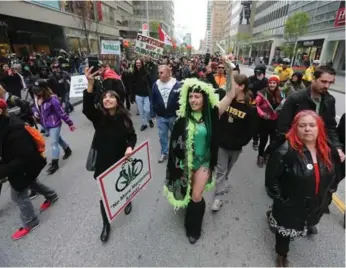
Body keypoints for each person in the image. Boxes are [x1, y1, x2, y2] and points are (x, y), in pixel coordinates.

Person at [164, 58, 239, 244]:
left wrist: (230, 72)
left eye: (197, 96)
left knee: (197, 196)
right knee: (188, 192)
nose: (193, 100)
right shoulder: (182, 118)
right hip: (185, 163)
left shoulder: (212, 115)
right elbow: (174, 145)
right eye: (190, 97)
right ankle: (189, 212)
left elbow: (229, 95)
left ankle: (194, 228)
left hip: (204, 162)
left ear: (204, 98)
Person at [265, 110, 342, 267]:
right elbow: (271, 181)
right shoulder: (285, 151)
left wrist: (329, 192)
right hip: (290, 205)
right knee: (284, 232)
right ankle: (281, 254)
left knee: (308, 221)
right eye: (302, 125)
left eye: (312, 125)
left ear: (319, 128)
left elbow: (336, 173)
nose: (307, 129)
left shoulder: (328, 150)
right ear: (296, 128)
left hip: (315, 204)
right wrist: (282, 201)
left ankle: (306, 225)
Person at [83, 67, 137, 243]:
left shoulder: (125, 119)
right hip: (104, 163)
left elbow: (132, 136)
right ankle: (106, 224)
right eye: (105, 97)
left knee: (124, 185)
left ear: (118, 100)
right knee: (104, 195)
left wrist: (130, 147)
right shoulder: (99, 117)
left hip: (122, 160)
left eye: (111, 96)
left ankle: (127, 199)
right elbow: (87, 109)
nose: (107, 99)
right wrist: (90, 84)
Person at [0, 99, 58, 240]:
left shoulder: (15, 129)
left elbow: (23, 157)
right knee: (31, 182)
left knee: (18, 195)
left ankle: (31, 221)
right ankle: (51, 195)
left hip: (25, 165)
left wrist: (3, 170)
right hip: (19, 165)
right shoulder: (4, 124)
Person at [277, 65, 345, 163]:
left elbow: (330, 127)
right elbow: (283, 128)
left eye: (330, 83)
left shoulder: (329, 100)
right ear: (313, 79)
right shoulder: (295, 99)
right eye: (323, 81)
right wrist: (296, 148)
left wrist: (337, 147)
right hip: (296, 149)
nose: (327, 86)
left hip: (317, 149)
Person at [212, 74, 259, 211]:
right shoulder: (226, 100)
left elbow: (251, 130)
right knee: (221, 169)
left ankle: (225, 180)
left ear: (241, 87)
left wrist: (241, 142)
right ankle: (218, 197)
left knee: (228, 169)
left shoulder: (250, 109)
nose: (229, 88)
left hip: (236, 147)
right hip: (222, 145)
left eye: (232, 85)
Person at [32, 79, 75, 175]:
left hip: (55, 124)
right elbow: (34, 107)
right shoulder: (36, 98)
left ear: (44, 89)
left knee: (54, 142)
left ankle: (55, 164)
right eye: (35, 90)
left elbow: (61, 112)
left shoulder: (53, 99)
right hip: (45, 124)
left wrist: (70, 123)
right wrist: (35, 111)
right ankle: (67, 150)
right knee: (58, 139)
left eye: (38, 90)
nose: (36, 92)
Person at [151, 65, 180, 163]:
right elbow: (153, 99)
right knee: (162, 136)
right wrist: (153, 113)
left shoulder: (176, 84)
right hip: (161, 116)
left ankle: (177, 152)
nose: (159, 74)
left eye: (161, 72)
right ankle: (164, 152)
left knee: (176, 135)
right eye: (158, 73)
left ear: (168, 73)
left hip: (174, 116)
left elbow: (181, 100)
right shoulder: (156, 84)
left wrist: (180, 114)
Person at [256, 75, 284, 167]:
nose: (272, 85)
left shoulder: (281, 94)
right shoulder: (262, 93)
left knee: (274, 142)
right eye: (270, 83)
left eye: (274, 83)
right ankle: (260, 157)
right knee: (263, 141)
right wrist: (262, 114)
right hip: (265, 121)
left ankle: (266, 154)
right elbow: (256, 106)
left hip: (276, 121)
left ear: (277, 84)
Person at [248, 64, 268, 150]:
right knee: (254, 121)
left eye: (260, 72)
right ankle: (255, 140)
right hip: (253, 101)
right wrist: (258, 82)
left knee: (262, 123)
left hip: (263, 103)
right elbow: (249, 87)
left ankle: (257, 137)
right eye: (256, 72)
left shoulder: (266, 80)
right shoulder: (251, 78)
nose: (258, 74)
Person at [132, 59, 154, 131]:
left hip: (146, 95)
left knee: (147, 110)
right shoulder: (134, 73)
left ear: (142, 64)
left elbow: (151, 83)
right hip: (138, 95)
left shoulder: (146, 73)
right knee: (141, 111)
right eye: (136, 63)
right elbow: (132, 85)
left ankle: (149, 119)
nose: (138, 64)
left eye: (139, 63)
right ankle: (144, 124)